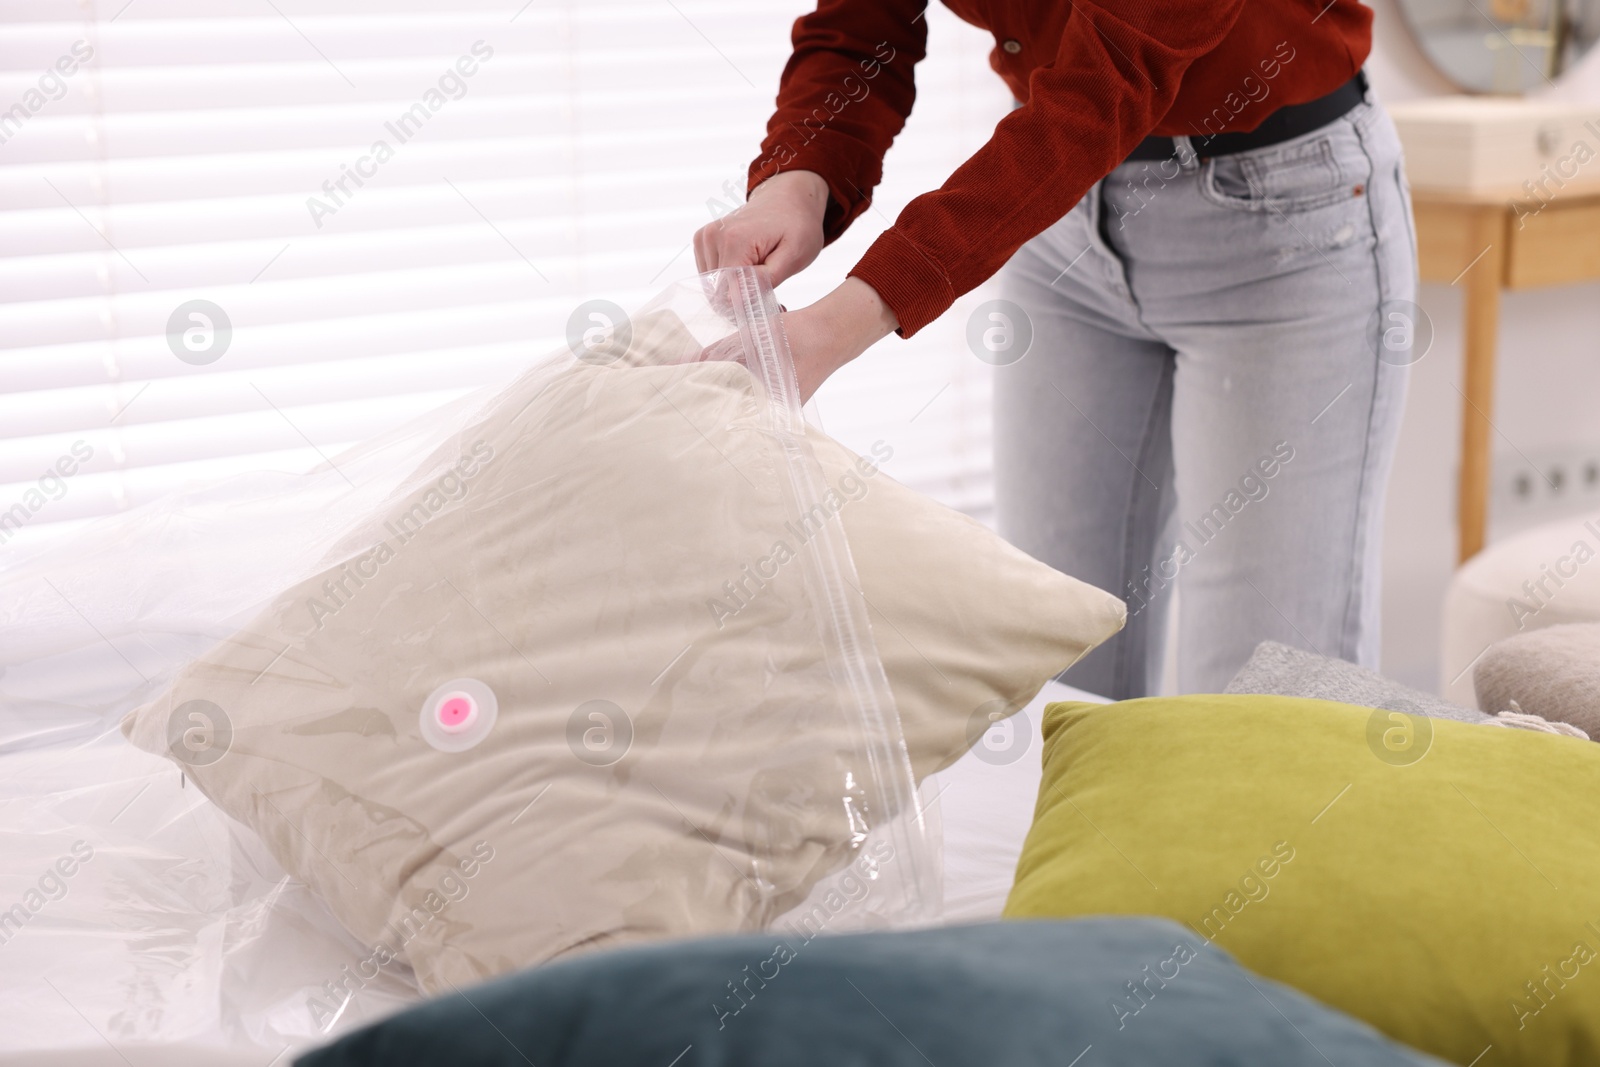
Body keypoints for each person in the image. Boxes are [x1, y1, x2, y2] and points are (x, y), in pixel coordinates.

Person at [693, 1, 1417, 698]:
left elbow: (1111, 78)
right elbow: (861, 27)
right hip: (1064, 220)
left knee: (1265, 700)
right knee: (1058, 665)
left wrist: (841, 321)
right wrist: (797, 178)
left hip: (1281, 232)